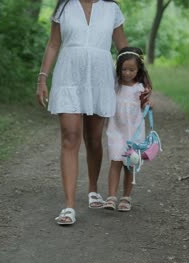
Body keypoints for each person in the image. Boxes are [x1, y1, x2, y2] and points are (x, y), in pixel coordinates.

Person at [36, 0, 129, 225]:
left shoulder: (112, 9)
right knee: (70, 137)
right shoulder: (64, 7)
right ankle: (68, 206)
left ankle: (93, 189)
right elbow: (53, 44)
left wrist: (142, 80)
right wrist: (42, 78)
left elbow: (123, 48)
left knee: (94, 139)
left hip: (100, 78)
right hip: (68, 76)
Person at [103, 47, 152, 212]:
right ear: (119, 68)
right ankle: (111, 196)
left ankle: (126, 197)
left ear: (138, 70)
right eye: (124, 69)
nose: (127, 73)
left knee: (130, 165)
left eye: (132, 69)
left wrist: (147, 104)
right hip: (115, 130)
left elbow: (145, 107)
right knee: (115, 162)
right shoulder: (115, 86)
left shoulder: (139, 88)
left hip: (134, 134)